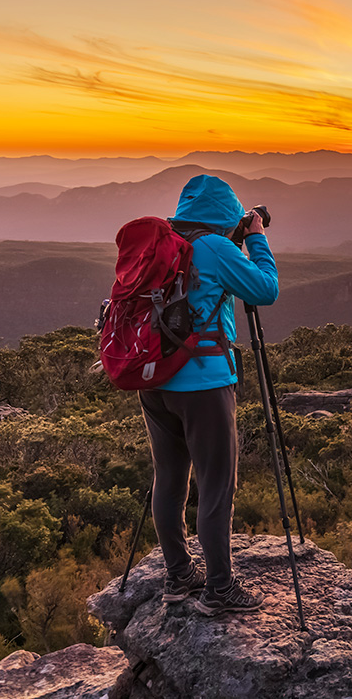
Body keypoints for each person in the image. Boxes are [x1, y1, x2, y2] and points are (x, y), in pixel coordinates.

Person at [139, 174, 279, 615]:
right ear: (225, 216)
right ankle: (219, 589)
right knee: (216, 486)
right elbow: (265, 290)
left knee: (169, 480)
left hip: (155, 380)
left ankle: (179, 576)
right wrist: (255, 239)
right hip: (203, 383)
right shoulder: (215, 249)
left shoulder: (161, 246)